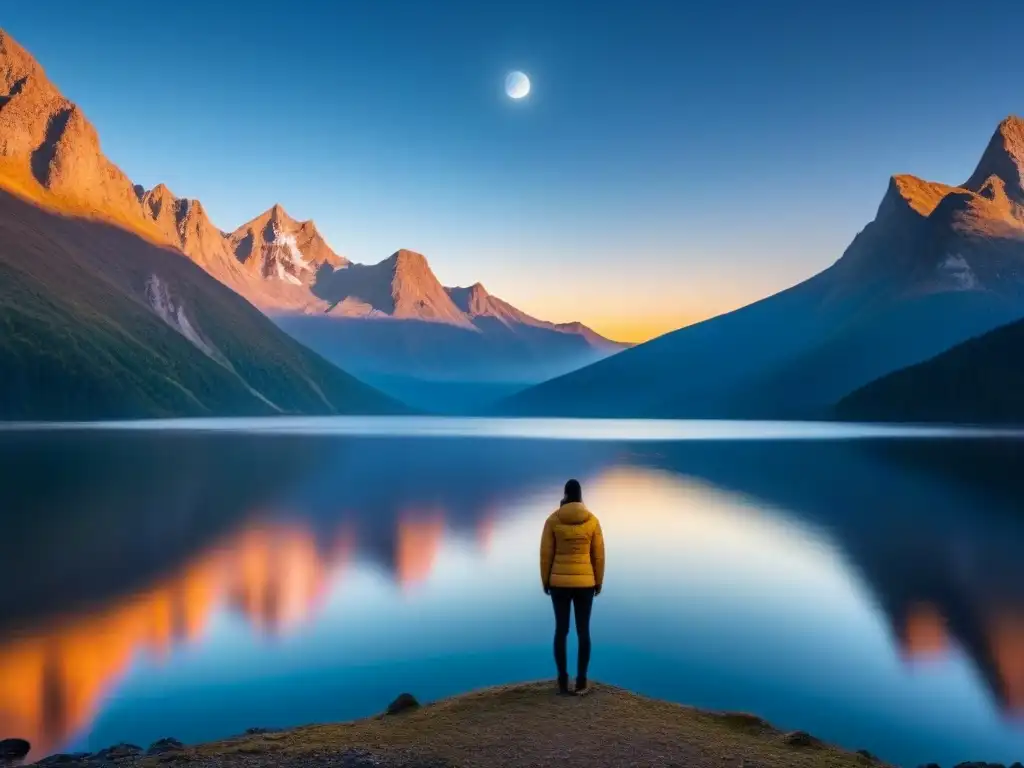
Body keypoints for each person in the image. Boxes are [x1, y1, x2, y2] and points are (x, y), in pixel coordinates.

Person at [539, 478, 605, 695]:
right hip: (585, 584)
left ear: (565, 495)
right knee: (583, 631)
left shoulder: (553, 520)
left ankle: (562, 680)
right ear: (581, 496)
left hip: (559, 584)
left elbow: (545, 555)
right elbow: (599, 556)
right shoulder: (592, 521)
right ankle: (581, 681)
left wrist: (545, 580)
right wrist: (598, 582)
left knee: (561, 630)